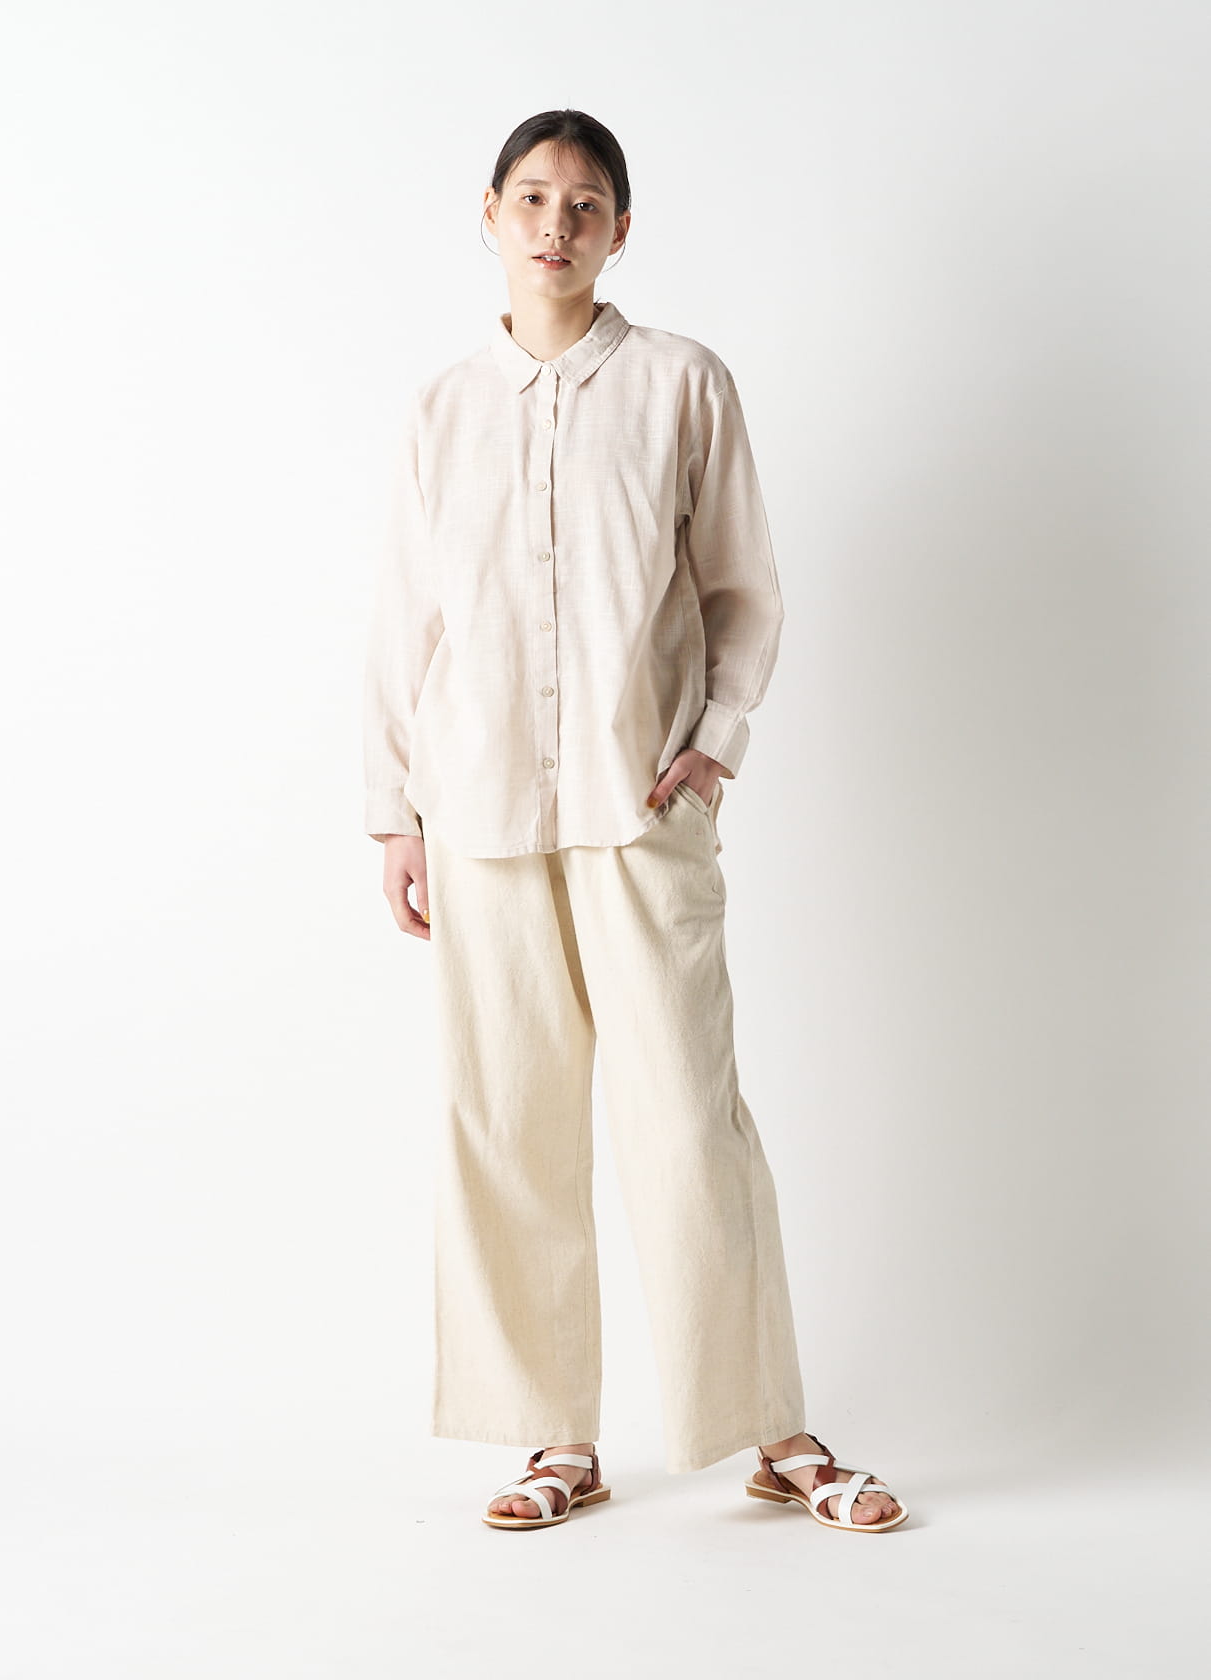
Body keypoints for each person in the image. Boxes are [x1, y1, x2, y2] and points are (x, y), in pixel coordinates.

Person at [362, 108, 908, 1534]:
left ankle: (773, 1431)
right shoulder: (441, 409)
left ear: (619, 229)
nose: (557, 224)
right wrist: (394, 813)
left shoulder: (680, 384)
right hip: (477, 810)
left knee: (687, 1119)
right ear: (489, 213)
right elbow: (406, 625)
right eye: (533, 197)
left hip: (637, 802)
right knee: (507, 1122)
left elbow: (742, 588)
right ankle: (552, 1437)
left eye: (586, 202)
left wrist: (715, 747)